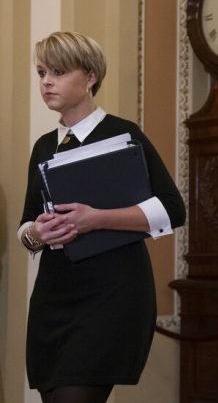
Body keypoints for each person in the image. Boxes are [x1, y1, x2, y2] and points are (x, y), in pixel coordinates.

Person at [18, 31, 186, 403]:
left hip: (112, 295)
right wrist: (37, 234)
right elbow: (27, 223)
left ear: (90, 77)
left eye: (58, 72)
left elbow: (173, 209)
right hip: (54, 298)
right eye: (42, 72)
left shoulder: (125, 134)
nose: (46, 82)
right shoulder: (44, 146)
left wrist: (96, 219)